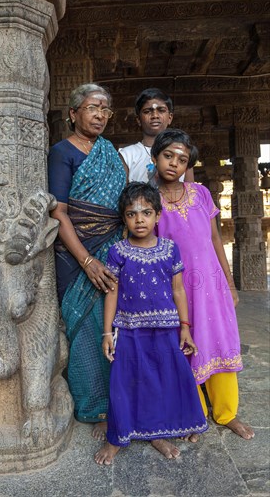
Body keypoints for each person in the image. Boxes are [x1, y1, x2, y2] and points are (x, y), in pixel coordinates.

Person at [150, 129, 255, 440]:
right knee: (184, 346)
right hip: (176, 288)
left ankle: (227, 413)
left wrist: (230, 282)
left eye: (182, 160)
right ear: (155, 157)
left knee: (220, 342)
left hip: (211, 285)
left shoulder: (201, 194)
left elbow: (214, 239)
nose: (174, 164)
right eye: (168, 156)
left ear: (188, 166)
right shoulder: (148, 200)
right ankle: (193, 414)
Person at [94, 182, 208, 465]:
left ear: (158, 216)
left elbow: (179, 290)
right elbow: (112, 291)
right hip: (130, 330)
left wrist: (185, 327)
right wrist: (108, 331)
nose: (139, 219)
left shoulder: (170, 249)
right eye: (132, 214)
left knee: (162, 381)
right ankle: (118, 437)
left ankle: (158, 433)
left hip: (166, 329)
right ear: (124, 218)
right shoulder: (117, 251)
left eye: (146, 212)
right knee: (124, 382)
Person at [48, 83, 126, 439]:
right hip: (74, 253)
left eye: (105, 110)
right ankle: (91, 405)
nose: (100, 115)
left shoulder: (112, 153)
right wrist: (86, 262)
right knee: (81, 326)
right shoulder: (62, 152)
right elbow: (59, 211)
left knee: (112, 324)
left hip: (112, 247)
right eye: (93, 107)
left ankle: (117, 400)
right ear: (73, 113)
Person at [119, 87, 193, 183]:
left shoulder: (182, 153)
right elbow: (122, 195)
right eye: (147, 111)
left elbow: (191, 193)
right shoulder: (127, 155)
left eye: (161, 110)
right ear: (138, 120)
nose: (155, 116)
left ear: (170, 117)